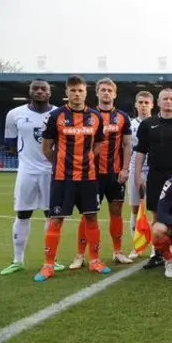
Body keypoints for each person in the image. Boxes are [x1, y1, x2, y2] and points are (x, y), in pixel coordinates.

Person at [35, 75, 109, 282]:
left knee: (92, 217)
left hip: (88, 178)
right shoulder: (56, 115)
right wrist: (61, 164)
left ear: (86, 93)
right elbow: (47, 148)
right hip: (62, 178)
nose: (77, 94)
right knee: (56, 220)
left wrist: (87, 159)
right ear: (66, 93)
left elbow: (99, 144)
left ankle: (95, 261)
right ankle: (48, 265)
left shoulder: (95, 117)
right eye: (73, 90)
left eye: (80, 91)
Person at [1, 80, 63, 275]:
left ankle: (51, 260)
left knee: (51, 215)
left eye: (43, 88)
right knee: (22, 214)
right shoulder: (15, 114)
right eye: (35, 88)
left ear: (49, 92)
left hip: (51, 172)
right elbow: (10, 143)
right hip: (26, 171)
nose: (39, 91)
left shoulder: (60, 113)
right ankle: (17, 260)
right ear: (29, 91)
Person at [70, 78, 133, 269]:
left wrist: (125, 168)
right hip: (91, 174)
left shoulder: (122, 117)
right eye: (103, 90)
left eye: (109, 90)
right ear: (96, 93)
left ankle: (118, 251)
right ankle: (80, 255)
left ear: (114, 94)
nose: (106, 93)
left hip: (115, 174)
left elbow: (127, 144)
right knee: (88, 214)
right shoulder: (87, 115)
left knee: (116, 211)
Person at [134, 88, 172, 269]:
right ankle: (158, 254)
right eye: (165, 99)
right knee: (157, 216)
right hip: (156, 174)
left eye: (171, 99)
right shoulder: (148, 124)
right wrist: (138, 176)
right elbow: (140, 152)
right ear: (159, 103)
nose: (168, 102)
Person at [126, 91, 154, 259]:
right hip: (134, 170)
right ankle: (137, 246)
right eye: (141, 102)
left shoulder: (156, 123)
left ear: (152, 105)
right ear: (136, 105)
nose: (143, 105)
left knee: (154, 210)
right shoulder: (129, 125)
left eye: (146, 103)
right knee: (135, 209)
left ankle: (155, 247)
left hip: (153, 171)